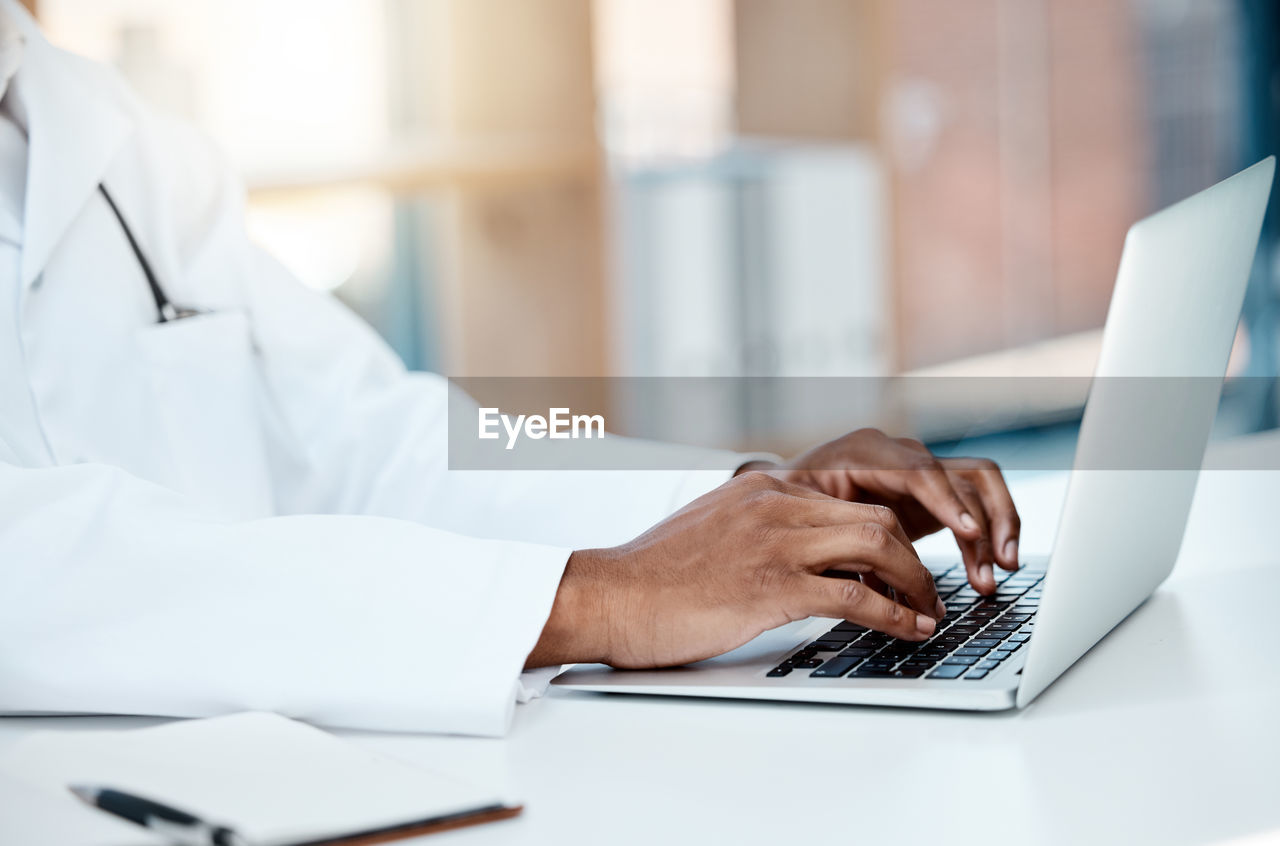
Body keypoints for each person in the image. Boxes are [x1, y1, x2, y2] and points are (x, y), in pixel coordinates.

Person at [0, 1, 1019, 736]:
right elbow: (42, 564)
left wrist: (748, 503)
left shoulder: (115, 134)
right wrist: (591, 598)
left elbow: (379, 434)